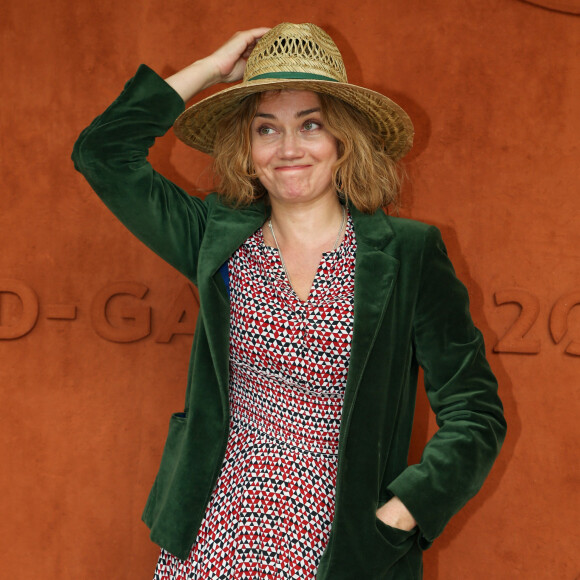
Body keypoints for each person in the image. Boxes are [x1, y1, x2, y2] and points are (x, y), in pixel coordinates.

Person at [72, 22, 506, 580]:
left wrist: (403, 514)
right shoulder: (215, 240)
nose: (290, 148)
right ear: (248, 151)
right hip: (213, 537)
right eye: (266, 129)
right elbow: (102, 154)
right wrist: (211, 69)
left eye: (311, 124)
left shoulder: (410, 255)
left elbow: (475, 412)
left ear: (342, 141)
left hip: (346, 547)